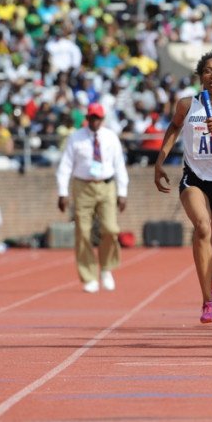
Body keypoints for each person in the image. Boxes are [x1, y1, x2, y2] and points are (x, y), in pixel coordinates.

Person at [154, 52, 212, 323]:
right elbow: (173, 128)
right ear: (200, 76)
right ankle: (207, 301)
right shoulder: (186, 105)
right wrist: (160, 162)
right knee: (202, 227)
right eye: (208, 71)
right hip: (193, 179)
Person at [56, 102, 129, 293]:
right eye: (92, 118)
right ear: (87, 119)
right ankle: (89, 275)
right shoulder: (76, 138)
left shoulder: (111, 137)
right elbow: (65, 166)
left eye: (98, 118)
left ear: (103, 119)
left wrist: (123, 192)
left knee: (110, 229)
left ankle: (106, 268)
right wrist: (62, 193)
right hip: (82, 186)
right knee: (83, 231)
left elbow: (119, 165)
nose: (95, 121)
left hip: (106, 185)